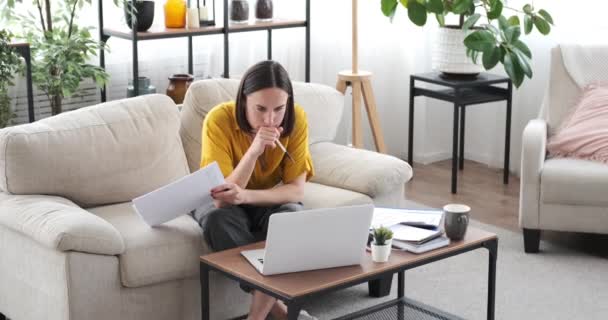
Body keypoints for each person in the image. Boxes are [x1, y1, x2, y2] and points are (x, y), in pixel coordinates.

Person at [191, 60, 317, 320]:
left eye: (279, 109)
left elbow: (295, 192)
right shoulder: (218, 120)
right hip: (219, 200)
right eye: (260, 109)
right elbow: (222, 199)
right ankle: (278, 311)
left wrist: (246, 196)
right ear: (244, 101)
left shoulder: (298, 119)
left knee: (291, 217)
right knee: (217, 221)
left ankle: (256, 317)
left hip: (262, 196)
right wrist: (254, 150)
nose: (270, 119)